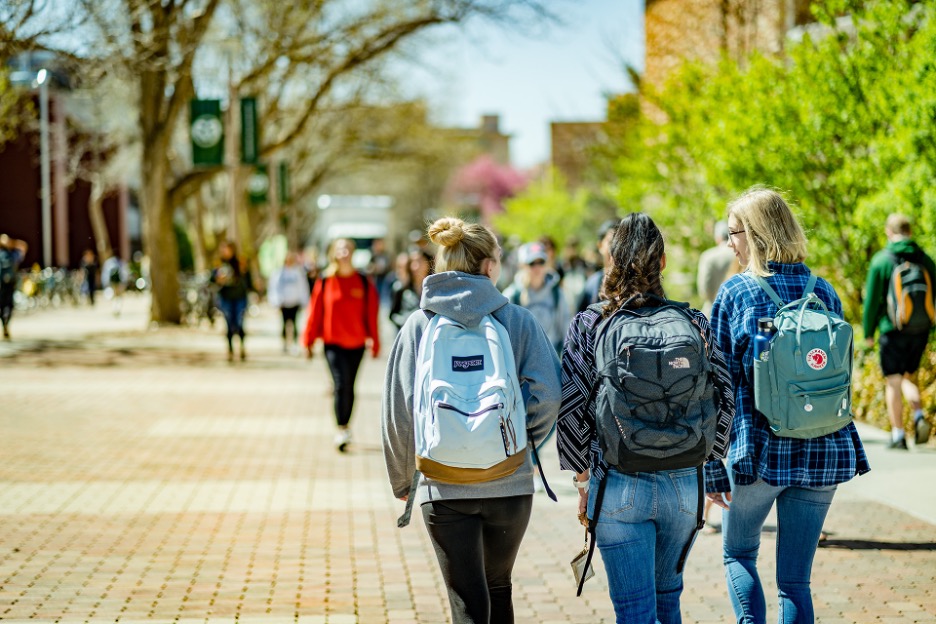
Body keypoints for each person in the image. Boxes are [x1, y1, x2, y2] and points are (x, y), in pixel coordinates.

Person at [557, 212, 735, 624]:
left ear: (611, 261)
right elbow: (726, 398)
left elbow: (570, 412)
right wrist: (711, 463)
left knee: (635, 613)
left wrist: (583, 482)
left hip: (618, 484)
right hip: (683, 485)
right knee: (668, 601)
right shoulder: (694, 323)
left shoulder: (591, 325)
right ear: (664, 263)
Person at [382, 217, 561, 624]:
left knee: (466, 598)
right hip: (509, 482)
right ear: (489, 267)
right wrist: (516, 439)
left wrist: (402, 481)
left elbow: (399, 410)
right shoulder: (516, 321)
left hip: (442, 486)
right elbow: (550, 394)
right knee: (499, 586)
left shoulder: (418, 326)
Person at [707, 187, 870, 624]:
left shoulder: (737, 293)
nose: (729, 243)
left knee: (738, 554)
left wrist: (711, 463)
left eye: (733, 233)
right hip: (826, 449)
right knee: (796, 581)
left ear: (756, 235)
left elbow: (716, 387)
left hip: (760, 451)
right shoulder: (826, 292)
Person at [862, 213, 935, 450]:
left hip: (891, 329)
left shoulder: (882, 260)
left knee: (893, 380)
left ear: (888, 232)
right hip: (920, 329)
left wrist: (868, 332)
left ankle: (898, 434)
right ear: (910, 231)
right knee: (908, 376)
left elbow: (872, 301)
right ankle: (918, 415)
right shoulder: (925, 259)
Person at [302, 238, 380, 453]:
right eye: (340, 249)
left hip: (356, 344)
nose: (344, 252)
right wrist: (307, 340)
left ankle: (346, 426)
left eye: (347, 249)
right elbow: (315, 312)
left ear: (352, 253)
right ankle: (341, 428)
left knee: (350, 386)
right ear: (333, 254)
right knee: (340, 384)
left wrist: (375, 342)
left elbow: (372, 314)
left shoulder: (363, 281)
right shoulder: (325, 281)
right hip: (332, 344)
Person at [503, 241, 571, 354]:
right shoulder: (512, 295)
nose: (537, 267)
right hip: (522, 365)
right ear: (522, 265)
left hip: (551, 361)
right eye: (532, 263)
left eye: (541, 262)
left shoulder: (557, 293)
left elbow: (565, 329)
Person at [211, 241, 254, 362]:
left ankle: (242, 347)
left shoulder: (240, 262)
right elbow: (212, 280)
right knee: (229, 323)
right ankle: (230, 349)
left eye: (227, 249)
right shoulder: (219, 264)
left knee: (239, 322)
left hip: (240, 297)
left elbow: (248, 279)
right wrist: (218, 279)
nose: (225, 252)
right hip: (226, 298)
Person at [267, 251, 310, 355]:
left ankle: (295, 344)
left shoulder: (298, 273)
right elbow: (274, 287)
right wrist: (276, 301)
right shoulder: (279, 273)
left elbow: (303, 287)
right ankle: (285, 344)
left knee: (295, 324)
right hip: (284, 303)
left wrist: (304, 301)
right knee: (284, 324)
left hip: (295, 303)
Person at [697, 221, 739, 316]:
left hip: (713, 310)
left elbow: (704, 291)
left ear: (718, 237)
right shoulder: (740, 255)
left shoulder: (708, 256)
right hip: (737, 308)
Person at [577, 219, 619, 312]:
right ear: (600, 246)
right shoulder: (591, 285)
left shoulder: (632, 284)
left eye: (619, 243)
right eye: (611, 242)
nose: (615, 248)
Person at [389, 248, 433, 330]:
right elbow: (393, 315)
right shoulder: (400, 289)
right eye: (412, 262)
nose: (415, 266)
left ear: (428, 263)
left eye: (419, 261)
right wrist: (407, 322)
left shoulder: (435, 290)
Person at [0, 234, 28, 340]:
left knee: (9, 305)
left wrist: (13, 243)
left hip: (10, 284)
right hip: (1, 285)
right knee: (2, 306)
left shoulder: (13, 254)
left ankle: (6, 324)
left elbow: (24, 246)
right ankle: (4, 325)